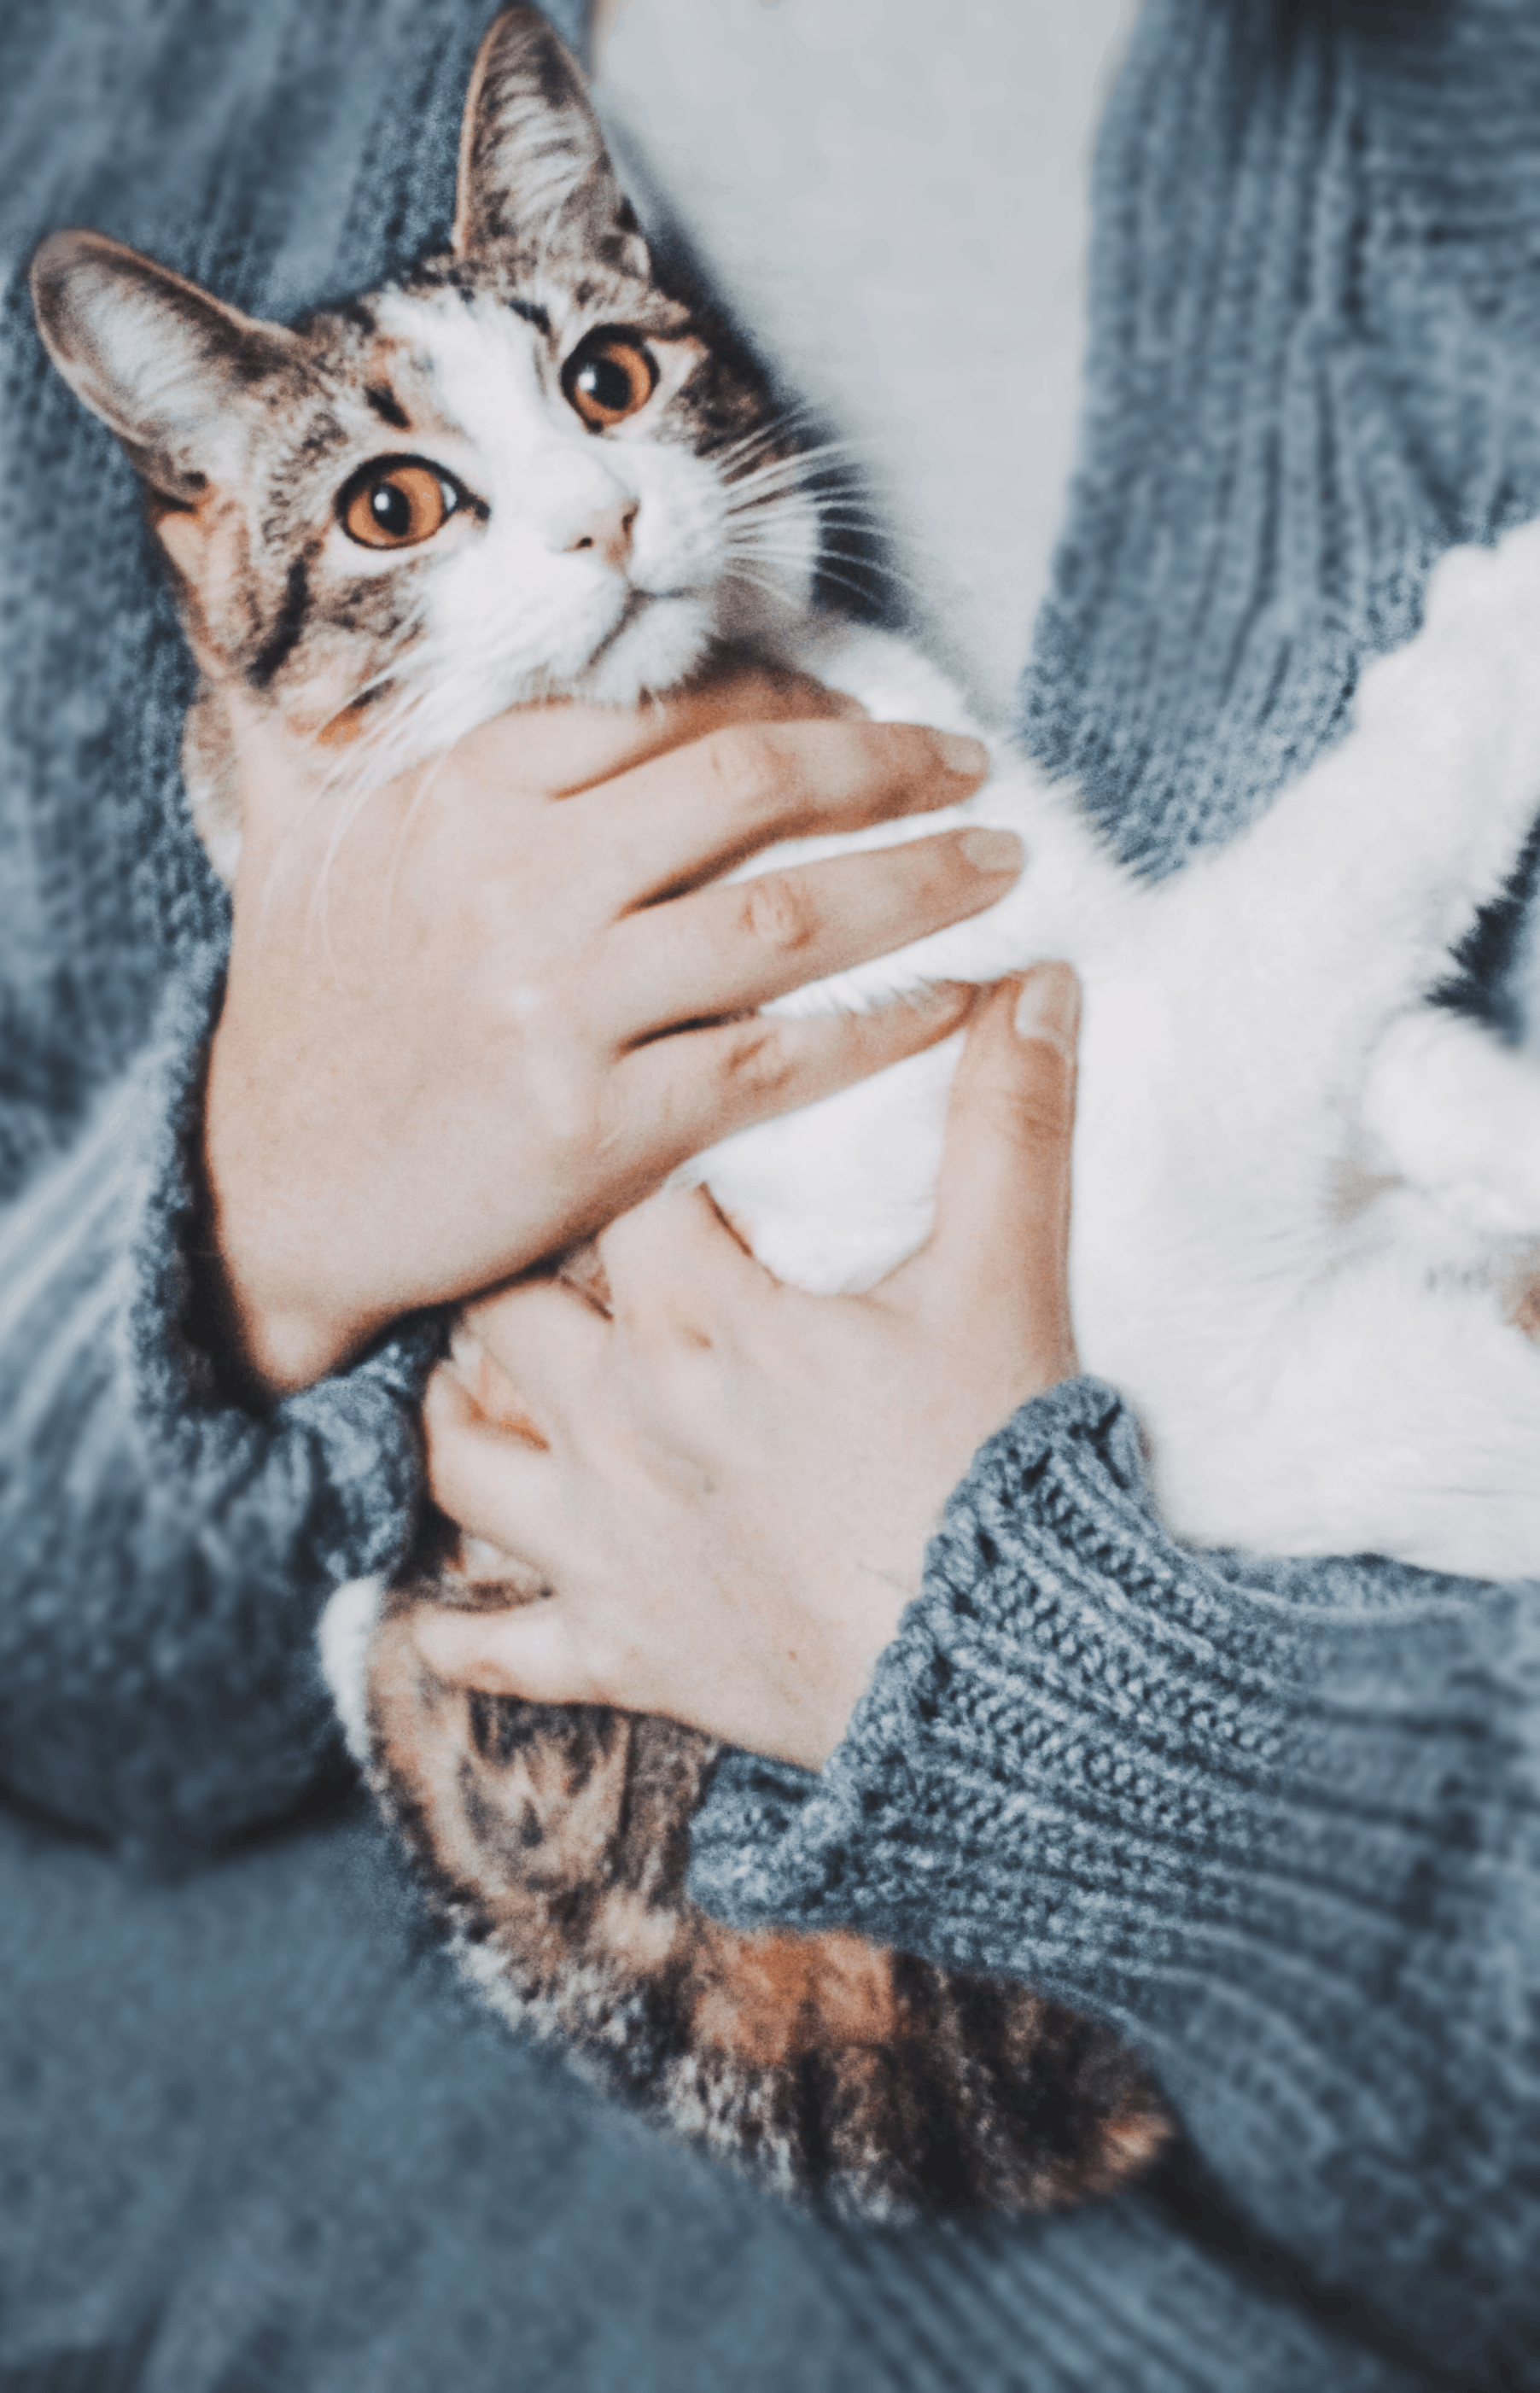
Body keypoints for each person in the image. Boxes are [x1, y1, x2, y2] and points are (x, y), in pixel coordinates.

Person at [1, 6, 1536, 2392]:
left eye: (604, 389)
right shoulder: (129, 80)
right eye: (408, 504)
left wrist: (1078, 1684)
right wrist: (248, 1215)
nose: (604, 515)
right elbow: (55, 1708)